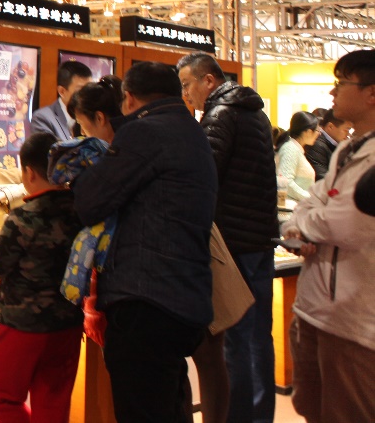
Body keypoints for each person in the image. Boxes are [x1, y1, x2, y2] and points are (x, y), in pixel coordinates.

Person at [72, 61, 217, 423]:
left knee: (143, 408)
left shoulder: (144, 132)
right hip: (184, 294)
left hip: (146, 299)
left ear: (130, 99)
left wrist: (82, 170)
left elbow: (90, 202)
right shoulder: (191, 129)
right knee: (169, 404)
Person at [177, 52, 278, 423]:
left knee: (236, 341)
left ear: (208, 80)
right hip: (260, 240)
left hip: (233, 244)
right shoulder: (254, 112)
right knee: (259, 339)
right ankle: (260, 415)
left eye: (188, 85)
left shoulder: (220, 114)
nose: (186, 94)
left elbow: (205, 176)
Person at [0, 131, 84, 423]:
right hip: (68, 324)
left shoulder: (23, 217)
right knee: (52, 408)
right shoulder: (82, 210)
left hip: (23, 324)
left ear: (28, 172)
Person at [282, 49, 375, 422]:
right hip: (314, 306)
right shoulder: (346, 149)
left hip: (353, 319)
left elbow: (347, 223)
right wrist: (301, 223)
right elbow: (312, 202)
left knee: (347, 412)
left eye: (342, 83)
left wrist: (307, 223)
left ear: (371, 93)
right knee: (311, 406)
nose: (332, 93)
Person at [31, 60, 93, 141]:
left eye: (89, 89)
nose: (87, 94)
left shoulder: (93, 116)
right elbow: (48, 149)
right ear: (62, 91)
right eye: (81, 90)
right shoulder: (42, 118)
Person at [276, 112, 319, 203]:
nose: (318, 134)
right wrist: (309, 198)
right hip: (289, 206)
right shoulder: (290, 149)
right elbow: (286, 181)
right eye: (317, 131)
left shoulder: (296, 149)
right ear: (308, 132)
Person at [305, 108, 349, 180]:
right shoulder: (317, 145)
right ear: (330, 127)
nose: (348, 134)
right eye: (346, 130)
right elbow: (321, 177)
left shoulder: (336, 144)